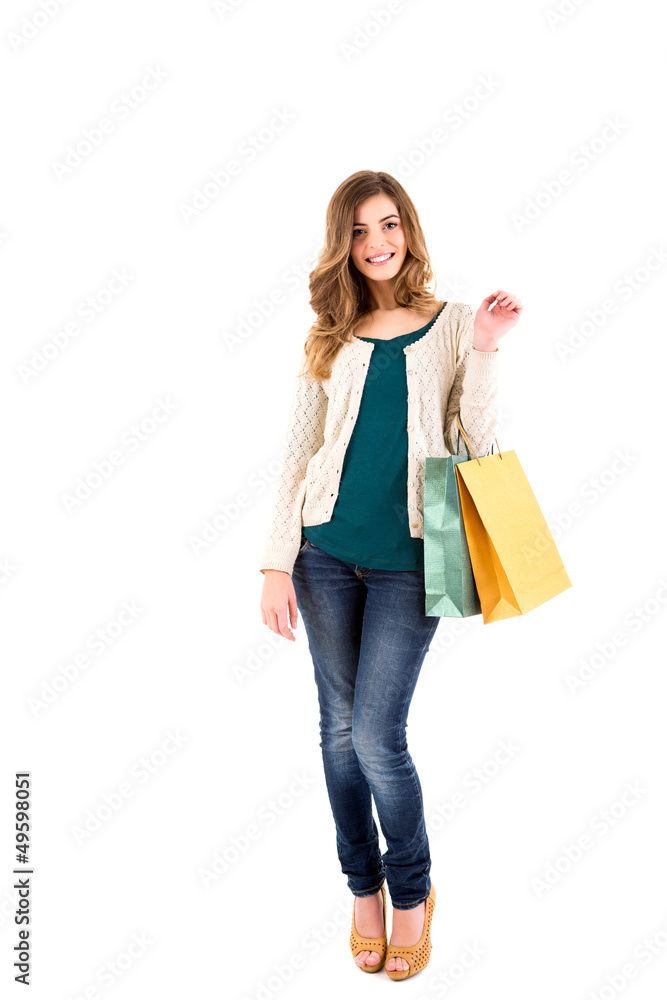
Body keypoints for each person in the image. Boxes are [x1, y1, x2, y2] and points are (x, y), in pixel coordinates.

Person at [259, 169, 522, 980]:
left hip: (412, 555)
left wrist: (481, 352)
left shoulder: (448, 322)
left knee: (378, 736)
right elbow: (298, 454)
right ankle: (362, 892)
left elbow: (474, 442)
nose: (378, 244)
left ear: (407, 229)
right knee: (337, 735)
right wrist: (276, 561)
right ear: (342, 245)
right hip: (324, 556)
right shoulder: (328, 333)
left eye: (389, 226)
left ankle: (411, 895)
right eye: (361, 232)